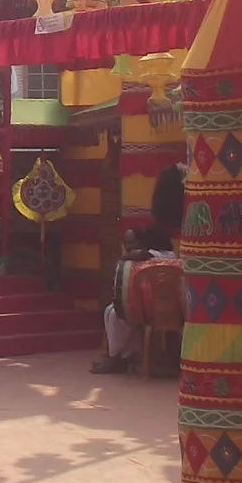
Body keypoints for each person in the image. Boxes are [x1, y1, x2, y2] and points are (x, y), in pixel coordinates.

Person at [93, 160, 185, 375]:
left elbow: (134, 258)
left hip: (150, 312)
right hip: (176, 311)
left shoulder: (148, 258)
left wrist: (129, 255)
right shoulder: (175, 259)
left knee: (118, 313)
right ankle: (125, 356)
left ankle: (117, 358)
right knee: (120, 312)